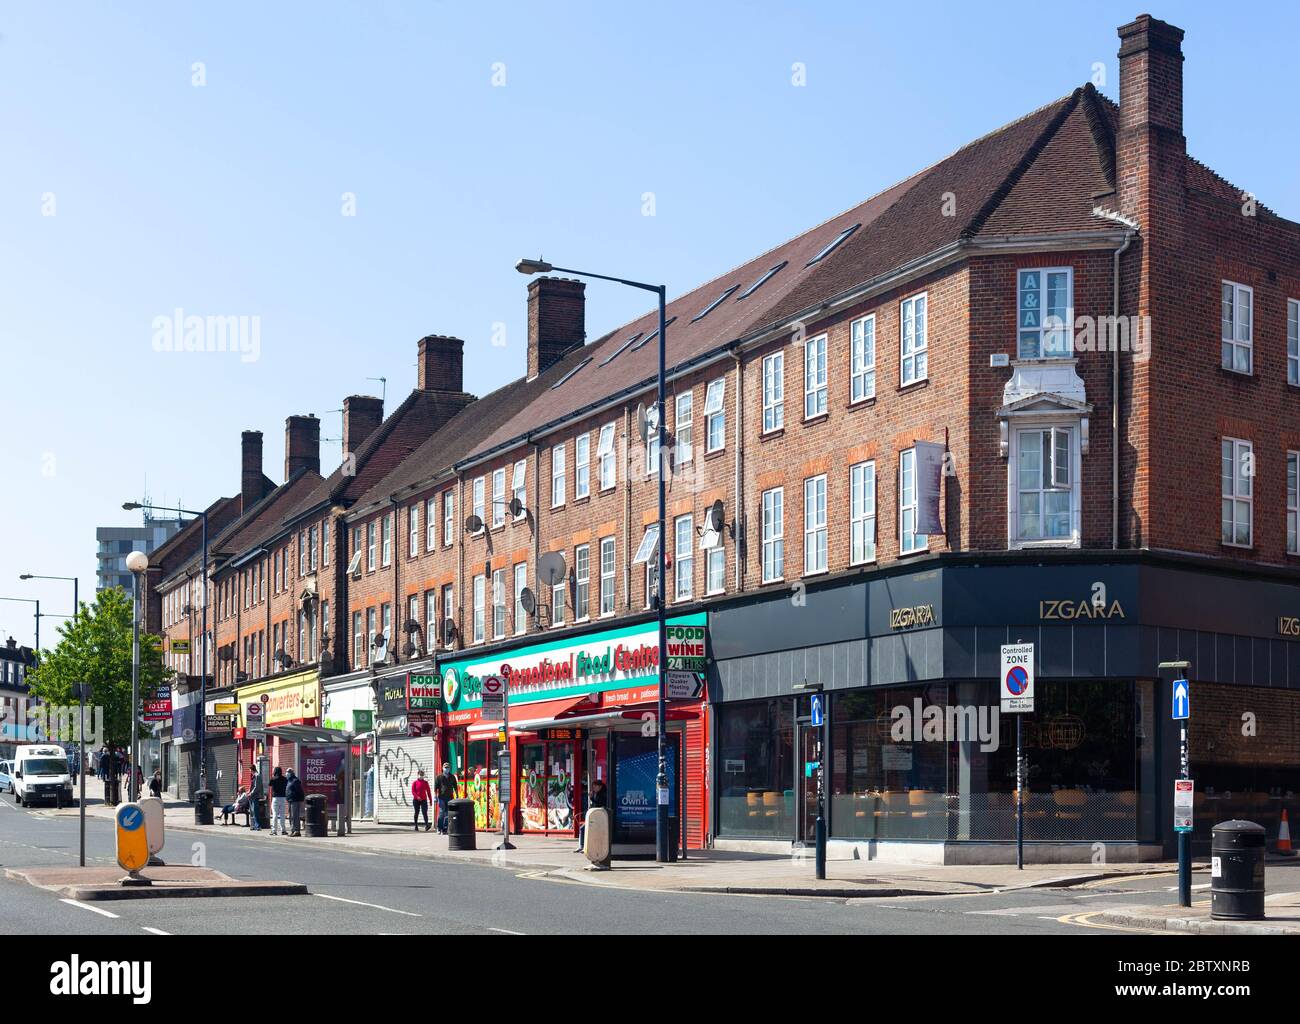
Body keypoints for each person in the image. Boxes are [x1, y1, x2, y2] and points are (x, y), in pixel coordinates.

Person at [576, 778, 607, 853]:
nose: (593, 788)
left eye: (595, 787)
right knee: (582, 828)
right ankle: (581, 846)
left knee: (583, 828)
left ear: (600, 787)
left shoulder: (603, 794)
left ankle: (583, 846)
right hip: (594, 815)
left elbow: (599, 804)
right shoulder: (597, 793)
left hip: (598, 816)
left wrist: (591, 798)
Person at [434, 762, 458, 835]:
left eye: (448, 767)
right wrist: (435, 796)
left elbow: (455, 787)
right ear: (442, 768)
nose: (446, 769)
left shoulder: (452, 777)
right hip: (441, 797)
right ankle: (439, 828)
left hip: (450, 797)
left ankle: (445, 829)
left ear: (450, 768)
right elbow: (436, 787)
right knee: (441, 813)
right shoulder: (439, 777)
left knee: (448, 814)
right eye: (445, 767)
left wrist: (457, 795)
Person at [268, 766, 288, 835]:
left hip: (275, 798)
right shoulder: (285, 779)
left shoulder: (273, 779)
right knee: (282, 814)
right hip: (283, 798)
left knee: (275, 814)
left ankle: (274, 830)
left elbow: (269, 784)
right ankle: (283, 830)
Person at [286, 769, 305, 836]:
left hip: (295, 800)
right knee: (291, 816)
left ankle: (297, 830)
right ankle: (293, 830)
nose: (286, 773)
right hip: (290, 800)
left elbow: (299, 791)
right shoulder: (289, 780)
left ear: (291, 773)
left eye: (288, 772)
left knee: (295, 816)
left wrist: (300, 799)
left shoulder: (295, 780)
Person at [247, 765, 264, 831]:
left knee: (255, 812)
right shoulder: (254, 776)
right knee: (252, 812)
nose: (249, 771)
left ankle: (258, 826)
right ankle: (253, 825)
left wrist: (250, 793)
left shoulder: (257, 776)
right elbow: (252, 786)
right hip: (252, 796)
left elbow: (257, 787)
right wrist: (248, 792)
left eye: (249, 770)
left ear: (251, 769)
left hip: (255, 796)